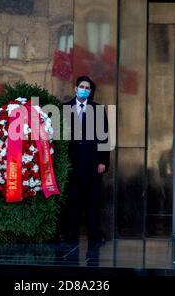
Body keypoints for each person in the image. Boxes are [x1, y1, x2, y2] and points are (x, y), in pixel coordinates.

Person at [63, 76, 110, 244]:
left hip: (92, 163)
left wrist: (103, 161)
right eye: (81, 86)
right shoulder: (64, 108)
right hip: (71, 164)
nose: (84, 89)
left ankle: (95, 235)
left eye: (87, 87)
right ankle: (71, 235)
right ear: (75, 88)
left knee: (93, 202)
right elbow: (58, 138)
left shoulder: (97, 109)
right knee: (72, 203)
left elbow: (104, 137)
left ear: (90, 92)